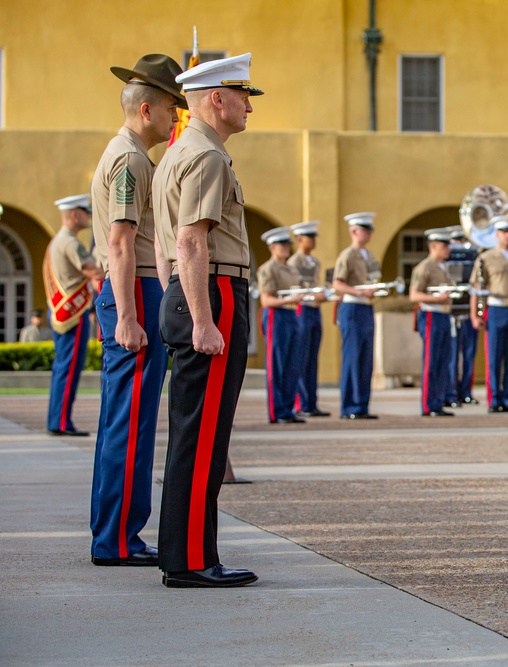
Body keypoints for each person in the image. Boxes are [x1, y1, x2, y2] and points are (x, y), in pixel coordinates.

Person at [152, 52, 262, 588]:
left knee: (193, 435)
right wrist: (203, 319)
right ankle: (192, 559)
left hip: (192, 287)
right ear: (216, 98)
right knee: (204, 438)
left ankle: (183, 552)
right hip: (212, 291)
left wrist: (177, 296)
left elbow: (163, 242)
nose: (249, 105)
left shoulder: (178, 152)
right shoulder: (207, 157)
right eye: (243, 94)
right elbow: (190, 240)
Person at [89, 54, 185, 567]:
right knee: (131, 422)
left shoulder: (128, 154)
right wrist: (127, 315)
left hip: (135, 291)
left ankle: (114, 533)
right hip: (134, 292)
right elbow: (121, 243)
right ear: (146, 109)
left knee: (122, 419)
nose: (176, 118)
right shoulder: (128, 159)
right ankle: (118, 539)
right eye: (172, 107)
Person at [44, 194, 105, 436]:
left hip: (63, 312)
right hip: (72, 314)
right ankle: (60, 422)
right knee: (68, 369)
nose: (88, 217)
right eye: (85, 213)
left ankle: (59, 420)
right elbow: (94, 270)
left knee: (63, 368)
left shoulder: (59, 240)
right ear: (74, 214)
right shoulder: (70, 242)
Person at [469, 215, 508, 413]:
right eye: (503, 232)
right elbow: (476, 288)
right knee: (494, 356)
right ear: (496, 234)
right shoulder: (486, 258)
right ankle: (494, 398)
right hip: (495, 309)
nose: (507, 235)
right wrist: (475, 314)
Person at [332, 212, 382, 420]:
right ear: (354, 231)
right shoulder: (348, 255)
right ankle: (349, 406)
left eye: (369, 230)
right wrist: (360, 292)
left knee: (365, 359)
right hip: (352, 308)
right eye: (364, 230)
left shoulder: (368, 256)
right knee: (352, 358)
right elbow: (338, 283)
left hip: (365, 308)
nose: (368, 234)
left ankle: (362, 405)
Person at [258, 227, 306, 424]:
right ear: (272, 247)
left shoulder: (291, 270)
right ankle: (276, 411)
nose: (287, 248)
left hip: (291, 314)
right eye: (282, 245)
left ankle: (287, 408)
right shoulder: (267, 269)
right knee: (277, 364)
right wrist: (291, 299)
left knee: (292, 364)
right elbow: (266, 300)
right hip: (276, 315)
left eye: (288, 245)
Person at [409, 227, 456, 417]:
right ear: (433, 245)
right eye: (444, 245)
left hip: (444, 315)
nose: (448, 249)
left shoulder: (446, 267)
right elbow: (414, 294)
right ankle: (428, 404)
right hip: (431, 314)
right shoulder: (424, 267)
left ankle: (438, 400)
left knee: (443, 360)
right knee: (431, 360)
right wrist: (437, 299)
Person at [288, 220, 331, 417]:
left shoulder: (315, 262)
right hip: (302, 310)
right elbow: (296, 290)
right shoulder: (294, 263)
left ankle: (311, 402)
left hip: (314, 310)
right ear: (299, 239)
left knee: (312, 359)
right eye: (309, 237)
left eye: (314, 237)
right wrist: (315, 296)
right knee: (301, 358)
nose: (313, 241)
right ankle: (301, 403)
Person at [445, 227, 479, 407]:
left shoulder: (472, 257)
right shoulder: (445, 260)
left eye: (461, 239)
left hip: (468, 312)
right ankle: (450, 392)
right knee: (451, 357)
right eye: (455, 240)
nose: (458, 244)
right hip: (451, 314)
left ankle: (466, 392)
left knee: (469, 355)